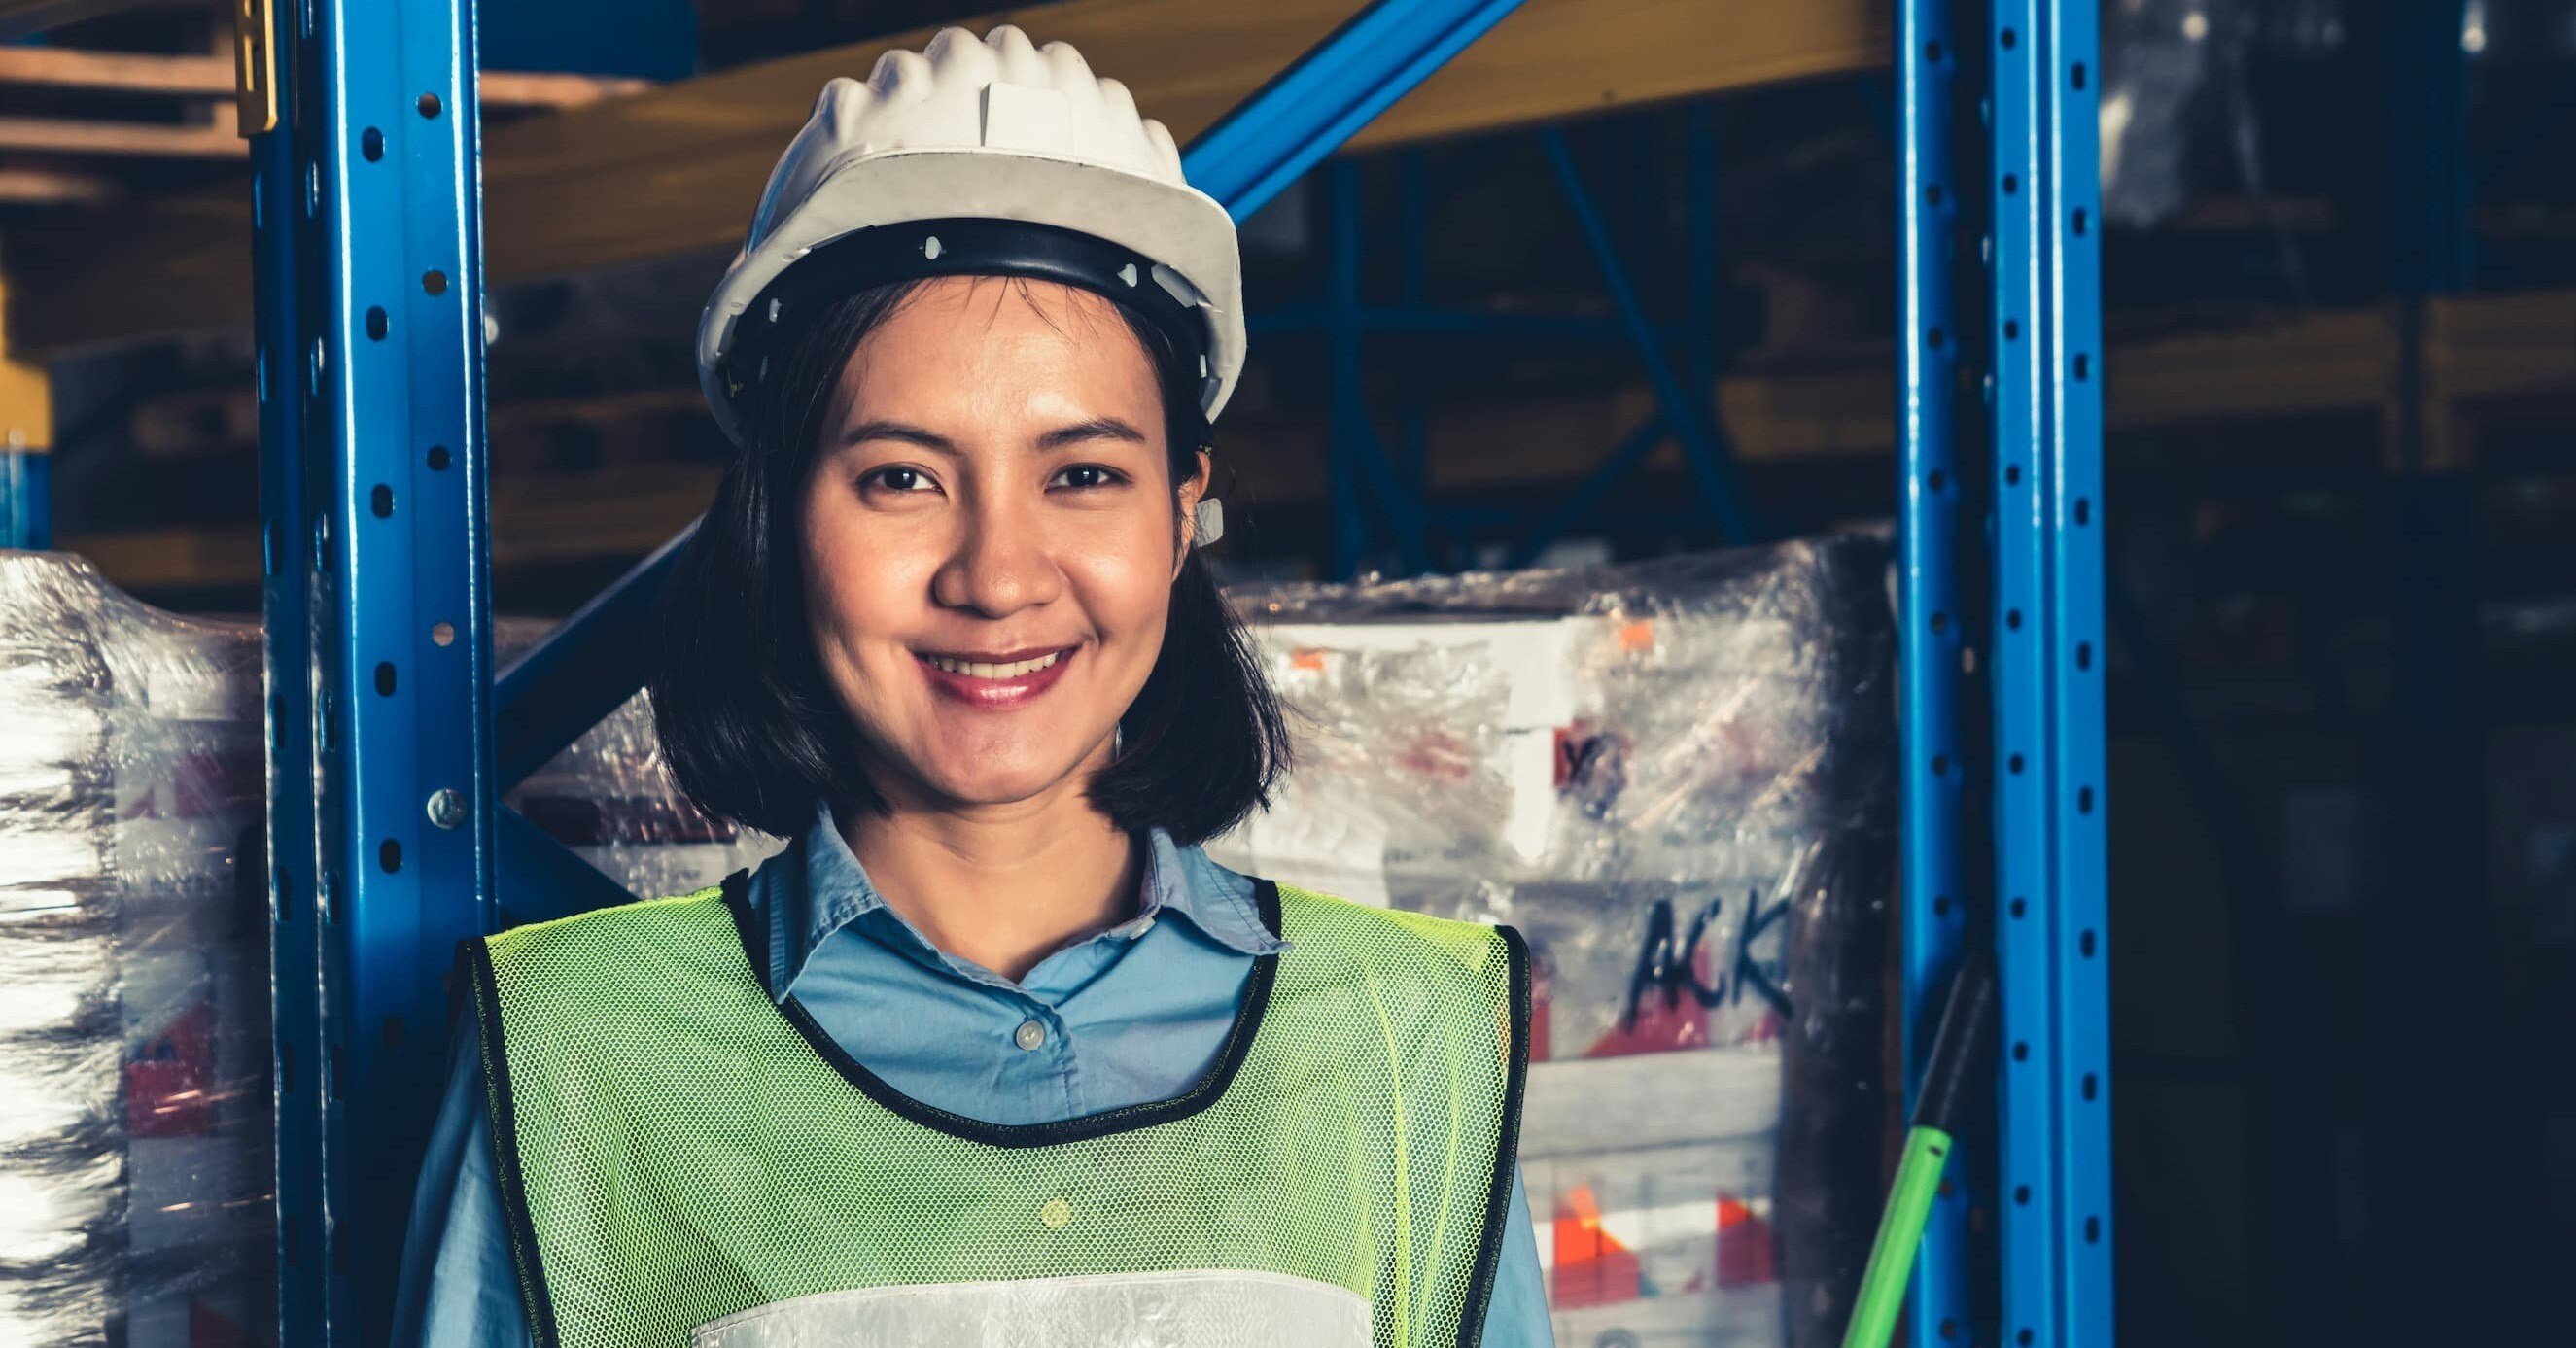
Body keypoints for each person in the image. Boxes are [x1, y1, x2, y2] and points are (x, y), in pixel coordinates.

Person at [394, 24, 1551, 1348]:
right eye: (900, 476)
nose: (998, 577)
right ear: (779, 526)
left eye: (1082, 474)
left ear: (1182, 517)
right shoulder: (572, 1053)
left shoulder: (1414, 1040)